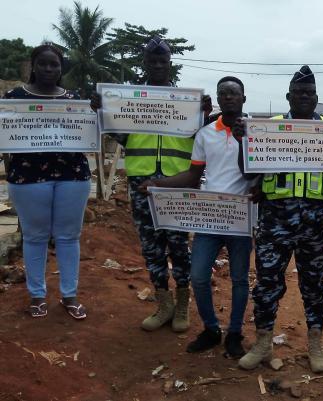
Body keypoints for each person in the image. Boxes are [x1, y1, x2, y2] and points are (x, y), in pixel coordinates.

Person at [90, 36, 212, 333]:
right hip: (141, 182)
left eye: (163, 61)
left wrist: (204, 114)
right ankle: (163, 303)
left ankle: (181, 303)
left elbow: (199, 138)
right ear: (145, 64)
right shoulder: (130, 101)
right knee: (151, 246)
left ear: (170, 64)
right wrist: (103, 112)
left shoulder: (187, 102)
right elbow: (120, 135)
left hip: (177, 182)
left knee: (178, 246)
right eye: (153, 61)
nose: (158, 65)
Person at [138, 76, 253, 358]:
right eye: (223, 93)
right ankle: (211, 329)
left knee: (239, 279)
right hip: (209, 216)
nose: (228, 97)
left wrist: (245, 140)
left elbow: (257, 173)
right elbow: (193, 176)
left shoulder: (257, 131)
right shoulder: (205, 134)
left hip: (241, 217)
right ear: (218, 99)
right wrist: (158, 184)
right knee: (199, 276)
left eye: (234, 93)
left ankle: (235, 333)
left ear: (243, 98)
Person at [239, 66, 323, 373]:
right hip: (275, 220)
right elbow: (248, 172)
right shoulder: (269, 128)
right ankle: (263, 342)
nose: (304, 97)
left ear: (316, 98)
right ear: (288, 96)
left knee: (314, 285)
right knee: (267, 282)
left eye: (309, 93)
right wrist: (245, 142)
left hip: (315, 223)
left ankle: (315, 343)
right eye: (298, 92)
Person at [4, 44, 90, 320]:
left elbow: (89, 130)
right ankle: (37, 296)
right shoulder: (13, 98)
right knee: (34, 236)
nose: (49, 69)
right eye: (43, 63)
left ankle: (69, 295)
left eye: (54, 64)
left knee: (68, 236)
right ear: (33, 66)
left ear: (61, 68)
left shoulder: (75, 99)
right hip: (28, 177)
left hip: (72, 175)